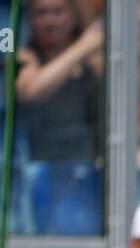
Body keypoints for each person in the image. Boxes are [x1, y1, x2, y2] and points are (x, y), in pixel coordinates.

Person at [16, 0, 104, 163]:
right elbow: (30, 92)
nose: (50, 21)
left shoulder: (91, 60)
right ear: (29, 20)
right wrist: (83, 47)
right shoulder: (23, 56)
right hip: (39, 164)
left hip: (88, 162)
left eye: (58, 12)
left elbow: (133, 96)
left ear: (72, 18)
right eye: (41, 13)